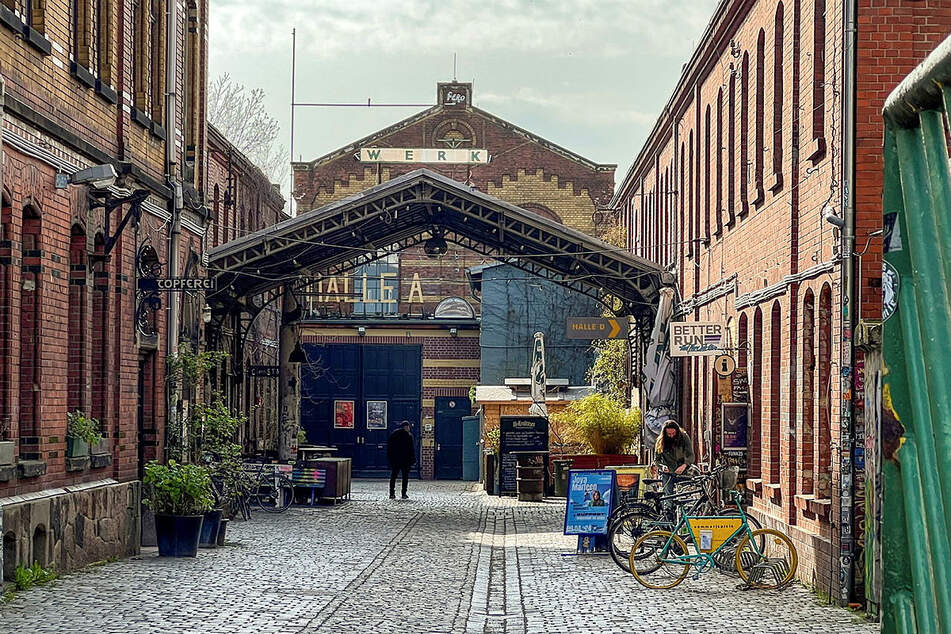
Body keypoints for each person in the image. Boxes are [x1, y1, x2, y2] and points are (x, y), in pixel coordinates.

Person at [654, 420, 695, 517]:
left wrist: (684, 465)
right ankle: (669, 520)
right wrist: (662, 466)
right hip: (668, 474)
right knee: (669, 498)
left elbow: (691, 455)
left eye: (673, 433)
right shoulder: (661, 441)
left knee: (685, 498)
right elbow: (657, 460)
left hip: (683, 472)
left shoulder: (684, 437)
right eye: (669, 434)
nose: (671, 435)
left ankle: (684, 518)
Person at [387, 420, 416, 499]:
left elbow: (389, 448)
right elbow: (411, 449)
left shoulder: (394, 434)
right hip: (405, 460)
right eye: (408, 427)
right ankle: (403, 493)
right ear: (405, 427)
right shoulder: (409, 436)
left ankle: (392, 493)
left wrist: (390, 458)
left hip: (396, 460)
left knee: (393, 476)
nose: (409, 428)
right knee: (405, 477)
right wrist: (413, 460)